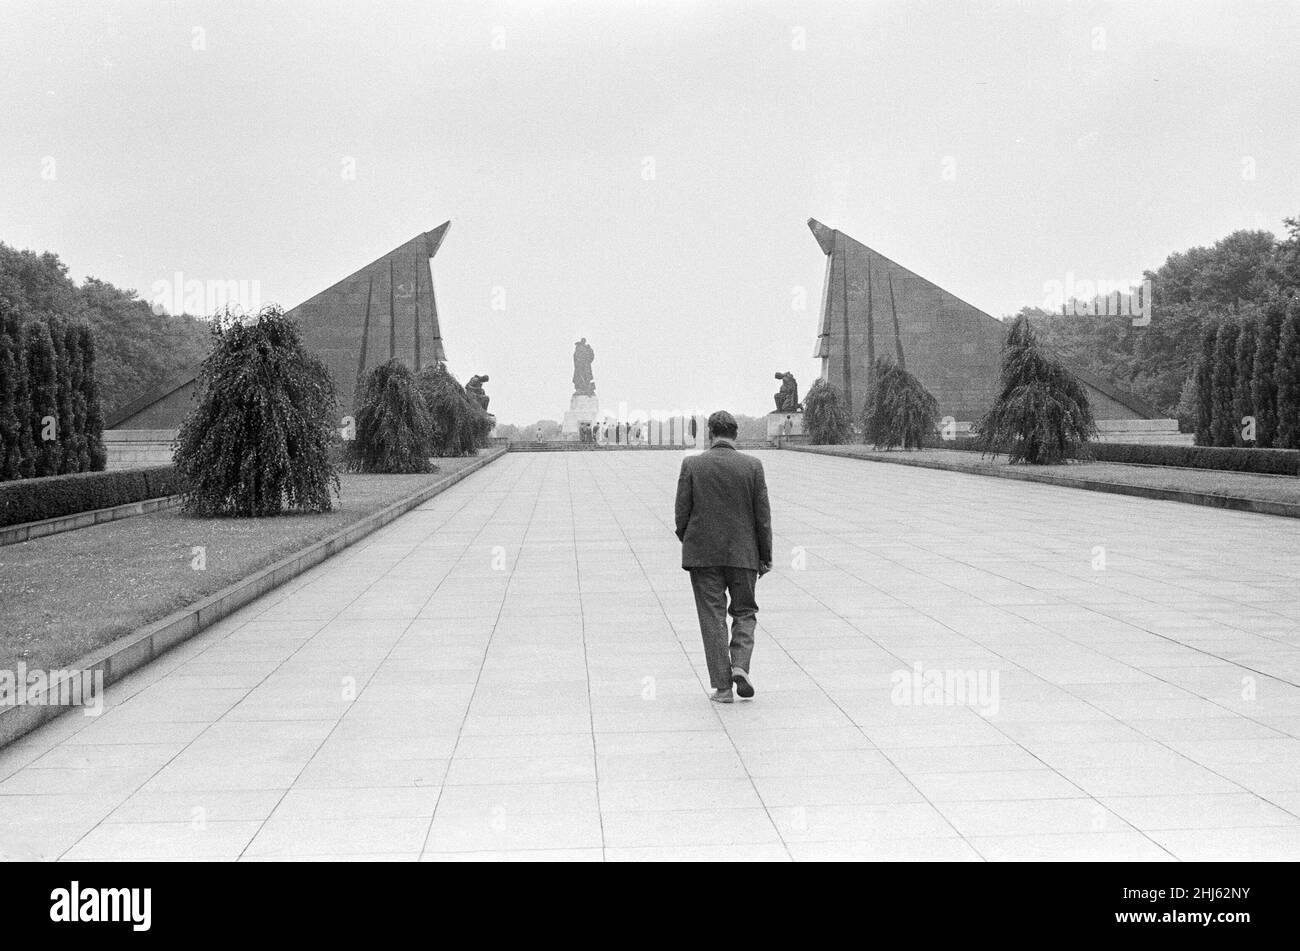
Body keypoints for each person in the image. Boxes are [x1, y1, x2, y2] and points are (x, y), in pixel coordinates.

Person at [674, 410, 772, 703]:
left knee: (712, 617)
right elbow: (763, 517)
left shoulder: (692, 464)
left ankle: (723, 687)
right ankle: (740, 665)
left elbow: (681, 514)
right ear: (735, 434)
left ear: (710, 433)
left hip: (703, 555)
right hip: (744, 554)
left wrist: (689, 539)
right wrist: (764, 556)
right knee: (745, 612)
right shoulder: (753, 466)